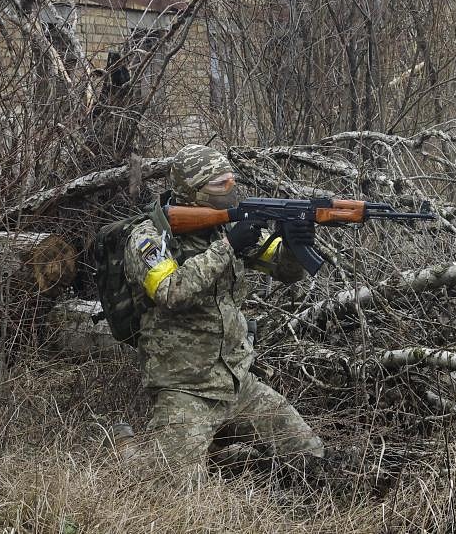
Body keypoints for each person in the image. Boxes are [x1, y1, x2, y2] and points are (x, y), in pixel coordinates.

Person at [119, 143, 324, 478]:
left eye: (231, 182)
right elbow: (170, 291)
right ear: (190, 191)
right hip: (186, 388)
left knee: (309, 456)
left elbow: (285, 271)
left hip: (236, 381)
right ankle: (129, 448)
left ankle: (216, 448)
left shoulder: (226, 227)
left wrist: (294, 242)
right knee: (173, 489)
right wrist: (227, 248)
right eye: (219, 186)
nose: (229, 192)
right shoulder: (147, 237)